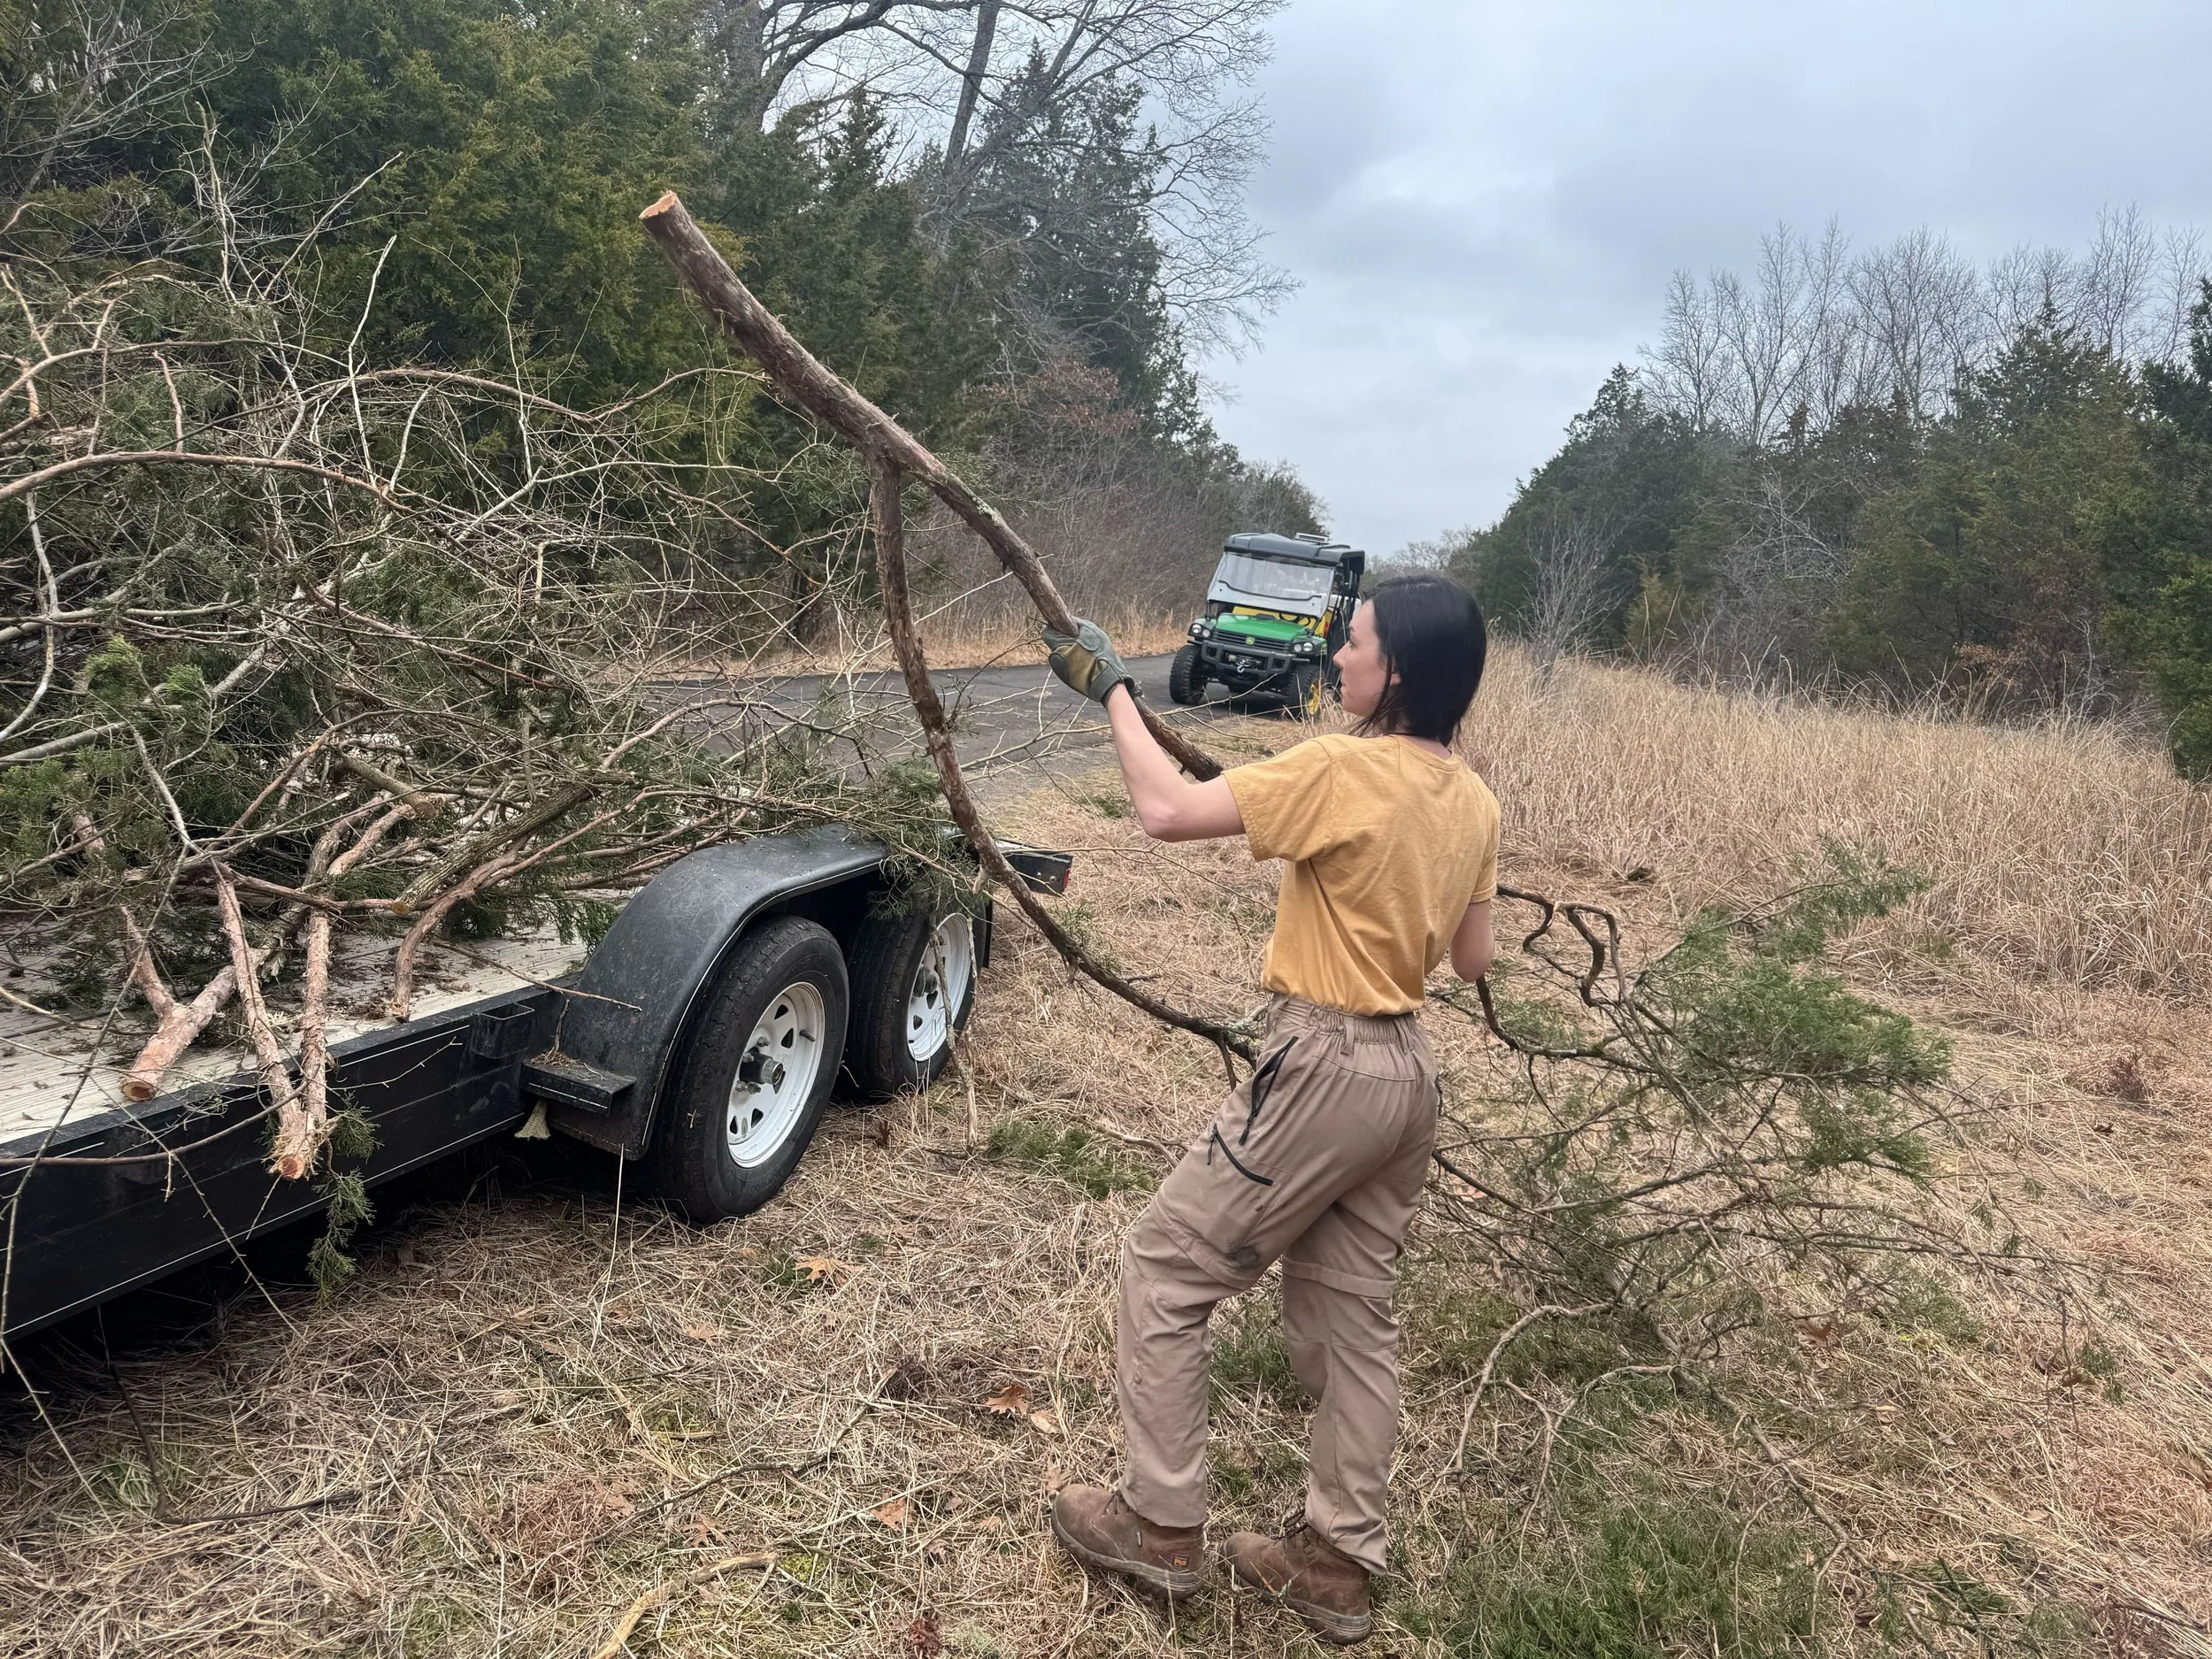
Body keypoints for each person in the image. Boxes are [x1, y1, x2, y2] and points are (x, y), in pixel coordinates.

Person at [1039, 573, 1498, 1646]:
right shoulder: (1474, 800)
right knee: (1353, 1321)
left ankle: (1157, 1526)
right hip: (1407, 1080)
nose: (1338, 655)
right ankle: (1335, 1565)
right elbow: (1471, 959)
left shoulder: (1340, 764)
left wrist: (1112, 688)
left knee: (1164, 1268)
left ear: (1400, 673)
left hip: (1325, 1064)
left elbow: (1162, 812)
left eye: (1358, 643)